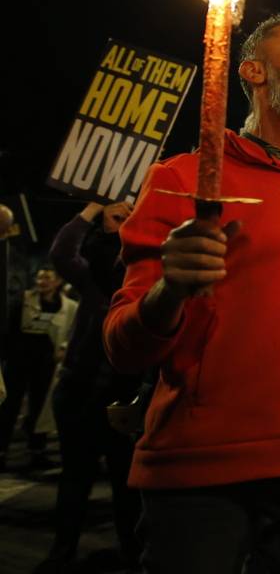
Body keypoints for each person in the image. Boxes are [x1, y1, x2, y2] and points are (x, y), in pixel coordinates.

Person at [103, 11, 280, 573]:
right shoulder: (182, 178)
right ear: (253, 70)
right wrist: (171, 289)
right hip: (200, 474)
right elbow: (123, 347)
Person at [36, 201, 141, 572]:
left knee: (126, 486)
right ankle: (62, 551)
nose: (123, 223)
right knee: (75, 478)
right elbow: (63, 252)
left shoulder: (146, 281)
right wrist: (93, 210)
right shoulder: (93, 280)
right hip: (80, 392)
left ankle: (132, 553)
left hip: (123, 398)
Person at [0, 263, 77, 471]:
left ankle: (37, 451)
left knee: (40, 407)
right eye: (40, 278)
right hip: (19, 361)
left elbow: (71, 332)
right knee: (9, 406)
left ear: (58, 282)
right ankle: (1, 451)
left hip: (45, 364)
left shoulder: (68, 306)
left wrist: (63, 349)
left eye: (47, 278)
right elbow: (8, 328)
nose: (42, 282)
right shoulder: (23, 301)